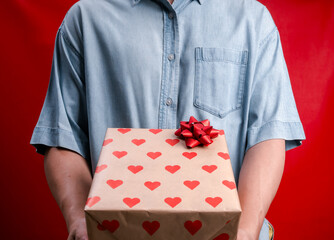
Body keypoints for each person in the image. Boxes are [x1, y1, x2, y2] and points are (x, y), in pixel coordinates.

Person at [30, 0, 306, 239]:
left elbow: (267, 135)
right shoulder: (86, 18)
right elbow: (62, 137)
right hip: (119, 235)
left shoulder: (253, 20)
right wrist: (79, 220)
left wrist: (244, 231)